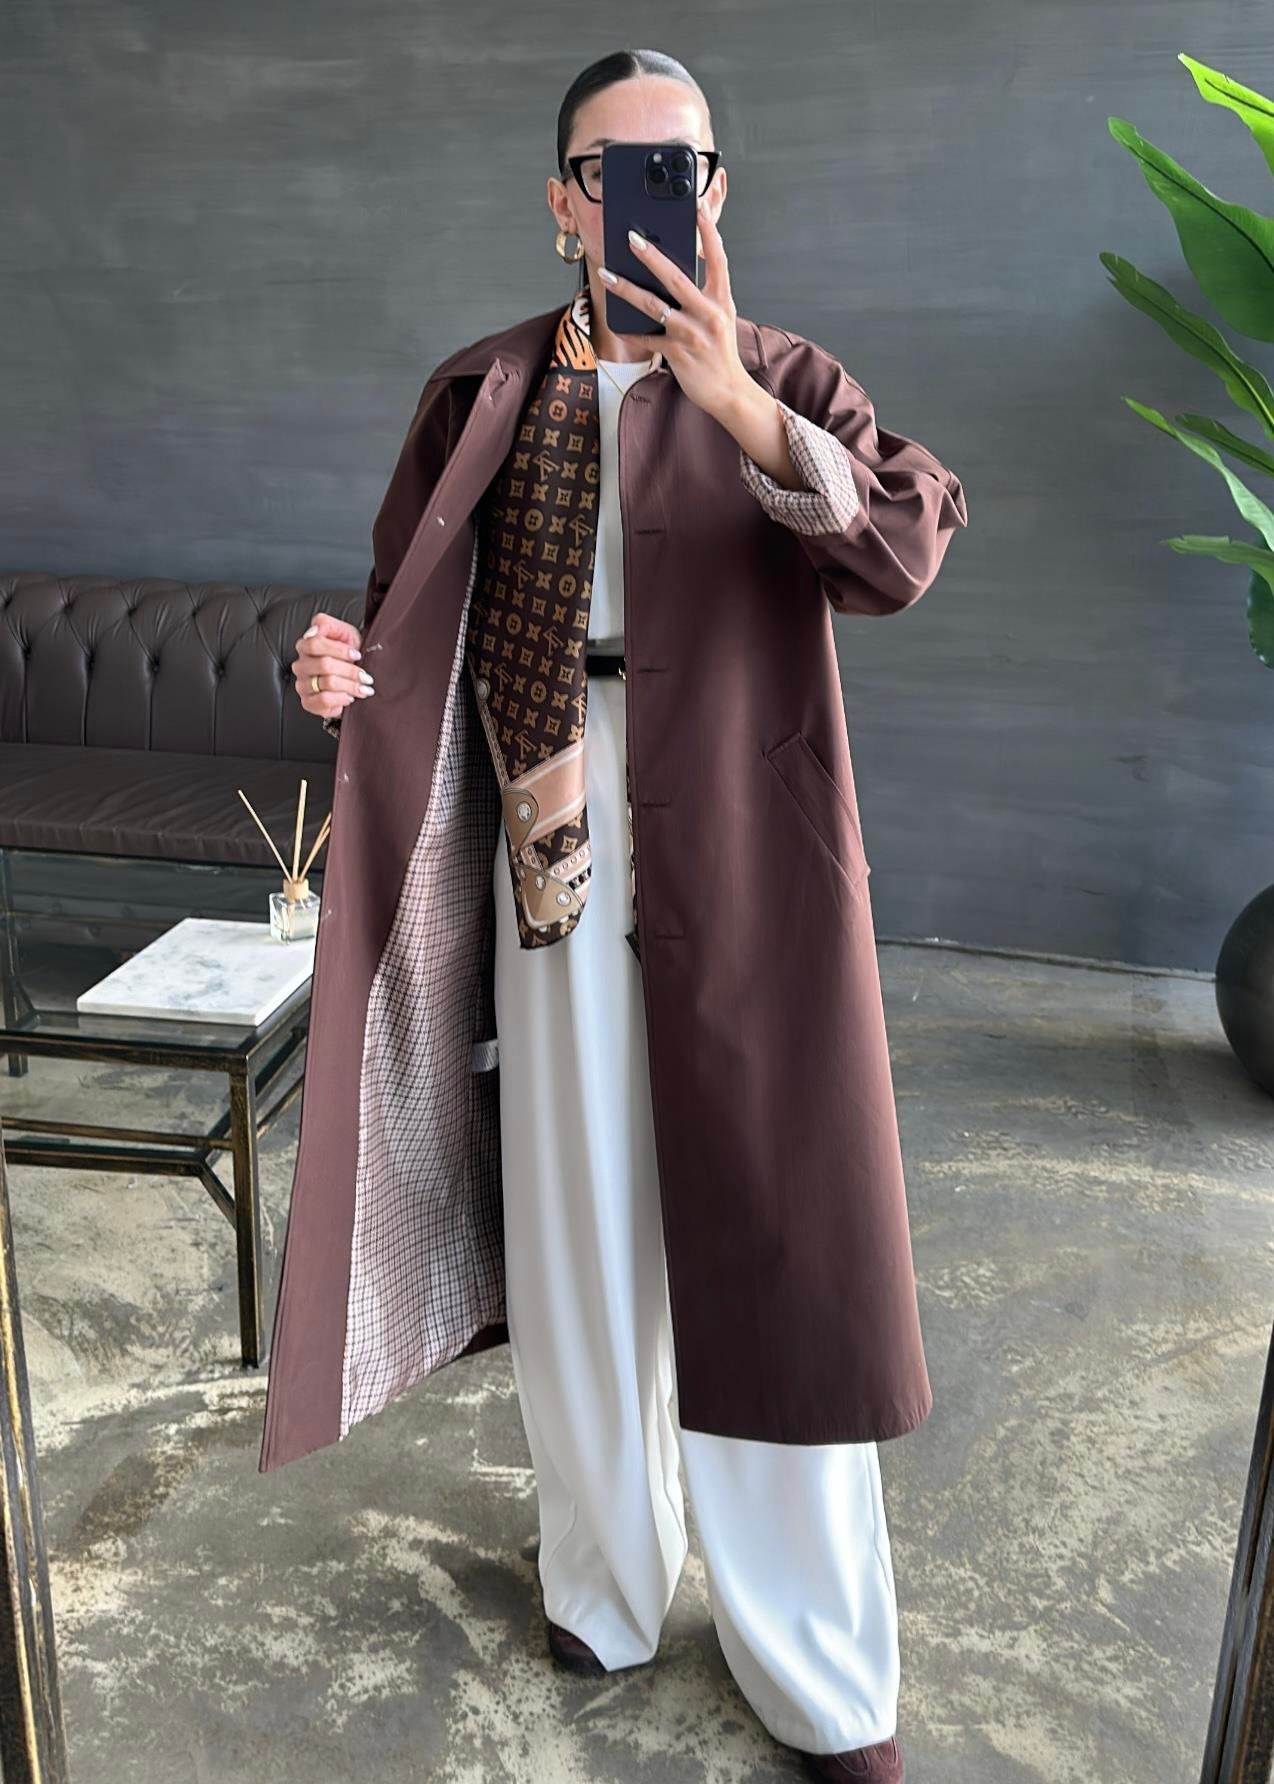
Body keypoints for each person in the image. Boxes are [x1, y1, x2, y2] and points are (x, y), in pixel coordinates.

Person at [282, 47, 967, 1784]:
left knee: (775, 1228)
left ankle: (817, 1666)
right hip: (548, 832)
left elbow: (899, 550)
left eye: (679, 167)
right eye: (608, 169)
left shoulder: (784, 373)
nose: (645, 196)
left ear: (716, 192)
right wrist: (337, 667)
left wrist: (737, 404)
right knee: (579, 1214)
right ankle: (602, 1578)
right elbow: (399, 615)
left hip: (740, 834)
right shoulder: (485, 389)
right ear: (559, 197)